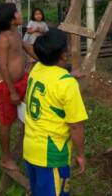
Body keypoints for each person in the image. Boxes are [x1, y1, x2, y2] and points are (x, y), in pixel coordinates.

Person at [23, 29, 88, 196]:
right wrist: (80, 155)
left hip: (30, 149)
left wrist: (68, 74)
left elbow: (50, 73)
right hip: (51, 156)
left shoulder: (36, 69)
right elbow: (76, 126)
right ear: (64, 55)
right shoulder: (66, 84)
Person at [0, 2, 36, 171]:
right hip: (6, 87)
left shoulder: (16, 33)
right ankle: (5, 158)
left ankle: (28, 145)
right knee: (6, 122)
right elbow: (2, 66)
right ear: (11, 19)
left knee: (29, 113)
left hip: (21, 81)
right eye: (17, 12)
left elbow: (27, 48)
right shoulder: (4, 38)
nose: (20, 13)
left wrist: (45, 57)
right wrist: (12, 91)